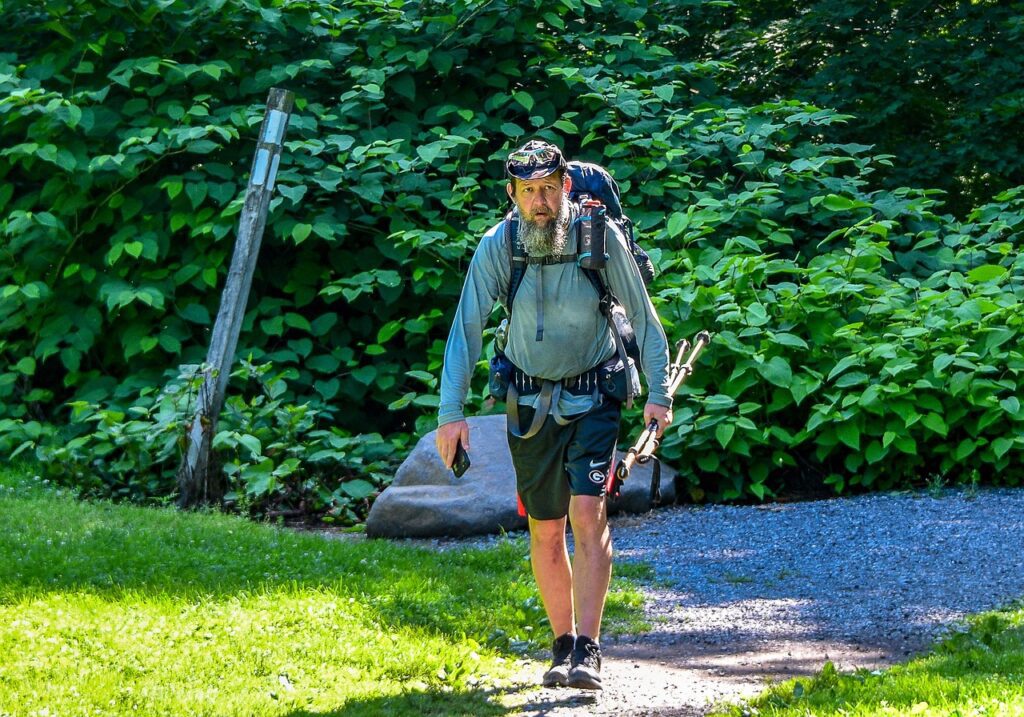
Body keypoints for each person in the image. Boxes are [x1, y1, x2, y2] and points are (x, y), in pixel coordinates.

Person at [435, 139, 673, 690]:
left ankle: (589, 649)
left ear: (566, 186)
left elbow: (645, 318)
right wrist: (452, 413)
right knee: (545, 528)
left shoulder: (600, 238)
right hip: (527, 403)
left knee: (587, 513)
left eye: (548, 189)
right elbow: (466, 328)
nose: (539, 202)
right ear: (512, 194)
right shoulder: (500, 245)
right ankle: (562, 643)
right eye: (528, 192)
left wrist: (658, 395)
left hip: (594, 395)